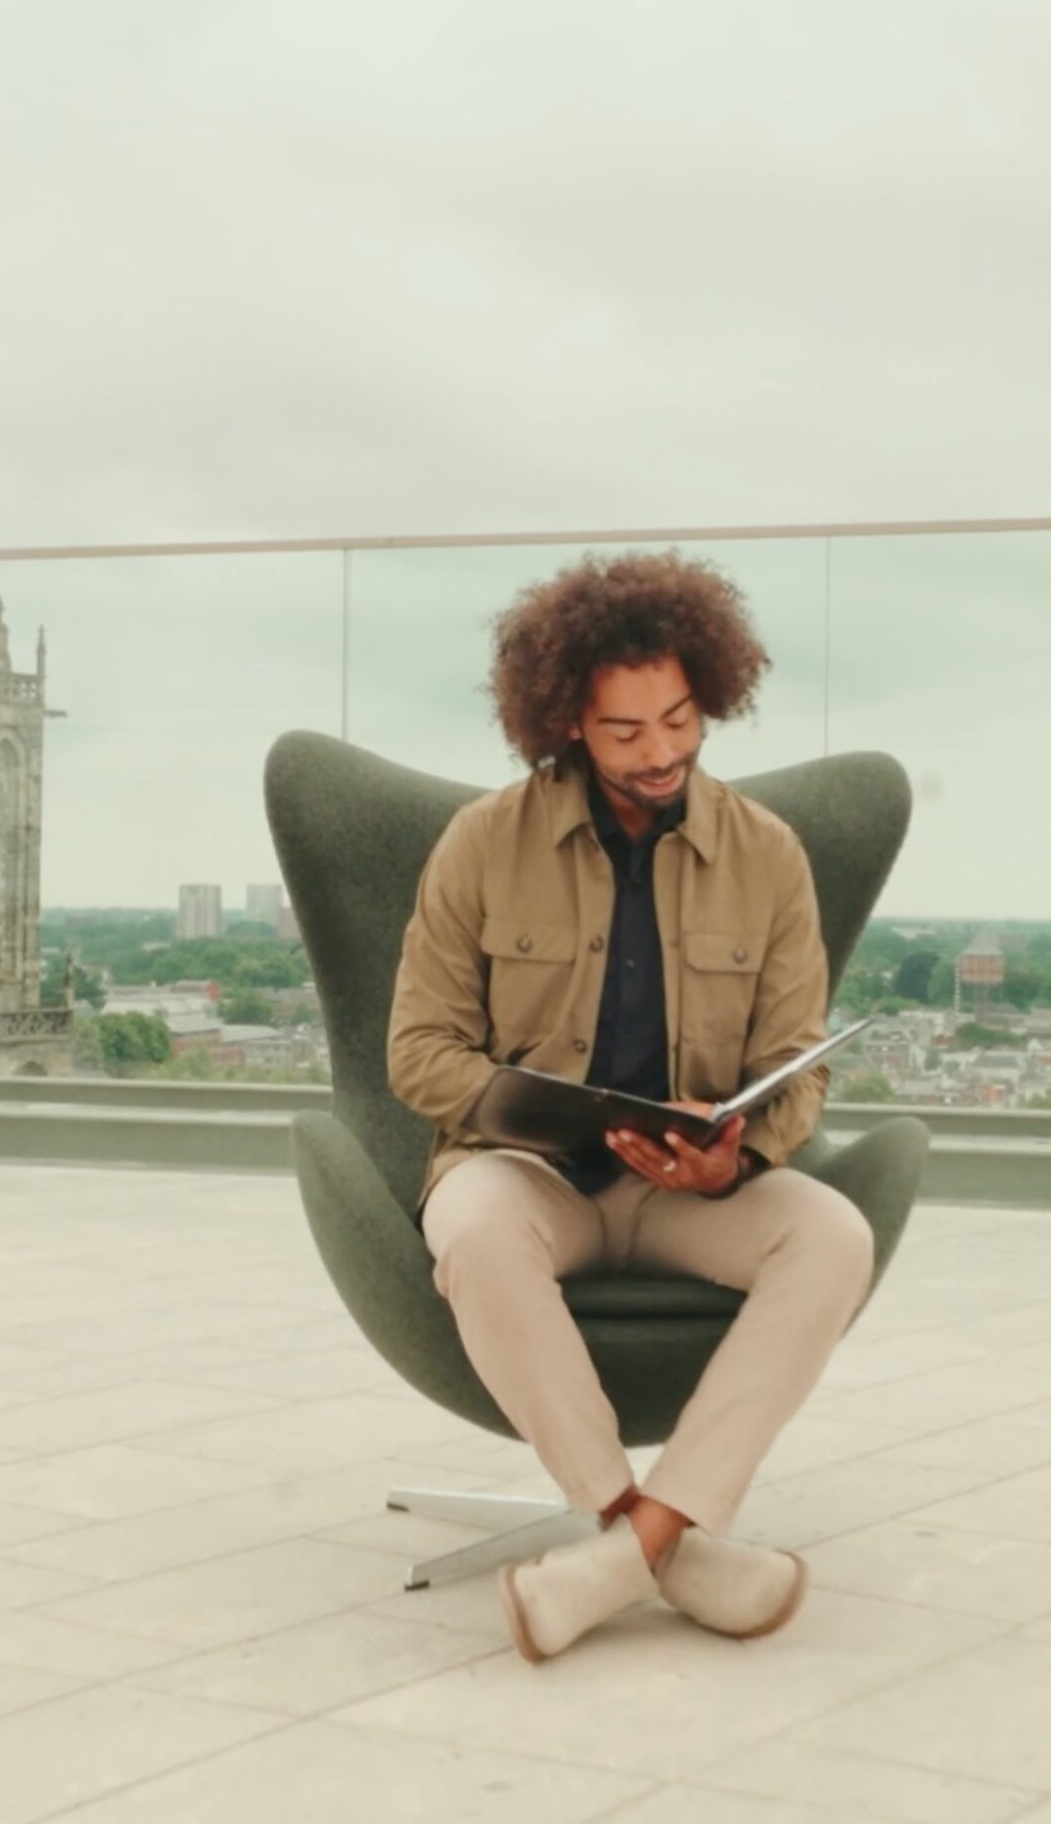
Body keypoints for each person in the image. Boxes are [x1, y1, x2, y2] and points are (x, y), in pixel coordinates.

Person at [388, 551, 876, 1663]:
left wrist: (736, 1162)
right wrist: (531, 1111)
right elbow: (416, 1053)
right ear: (564, 725)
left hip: (687, 1194)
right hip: (535, 1182)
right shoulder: (479, 845)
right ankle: (649, 1537)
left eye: (680, 719)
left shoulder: (768, 856)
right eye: (625, 733)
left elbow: (797, 1068)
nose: (661, 753)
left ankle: (618, 1558)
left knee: (833, 1234)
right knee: (467, 1223)